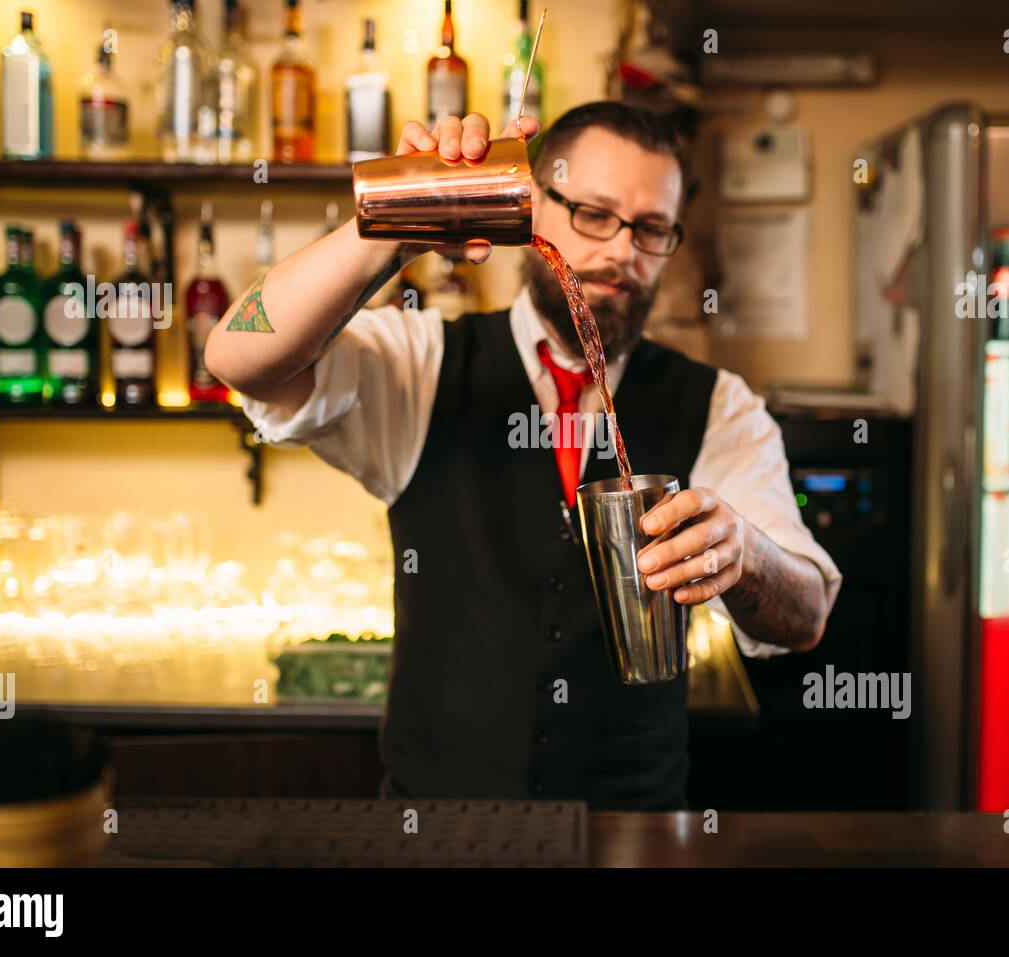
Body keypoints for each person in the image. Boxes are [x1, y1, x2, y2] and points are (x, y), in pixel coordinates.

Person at [205, 101, 842, 810]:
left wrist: (746, 552)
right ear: (531, 204)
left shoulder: (719, 404)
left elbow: (807, 613)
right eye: (594, 214)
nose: (622, 252)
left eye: (652, 228)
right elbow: (238, 355)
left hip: (632, 838)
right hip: (436, 839)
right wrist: (394, 219)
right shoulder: (423, 362)